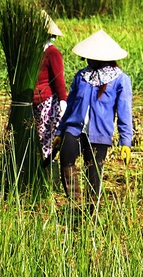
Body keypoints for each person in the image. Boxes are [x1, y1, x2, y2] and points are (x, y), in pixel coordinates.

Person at [53, 30, 133, 213]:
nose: (87, 60)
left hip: (99, 133)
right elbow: (71, 106)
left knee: (93, 172)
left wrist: (125, 141)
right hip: (74, 129)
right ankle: (75, 203)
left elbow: (124, 112)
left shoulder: (120, 79)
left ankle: (90, 212)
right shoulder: (82, 76)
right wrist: (59, 131)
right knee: (66, 161)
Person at [33, 12, 67, 164]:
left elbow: (59, 79)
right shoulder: (33, 51)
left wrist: (62, 101)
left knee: (45, 136)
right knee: (35, 136)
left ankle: (46, 168)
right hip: (33, 100)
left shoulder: (52, 53)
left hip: (46, 101)